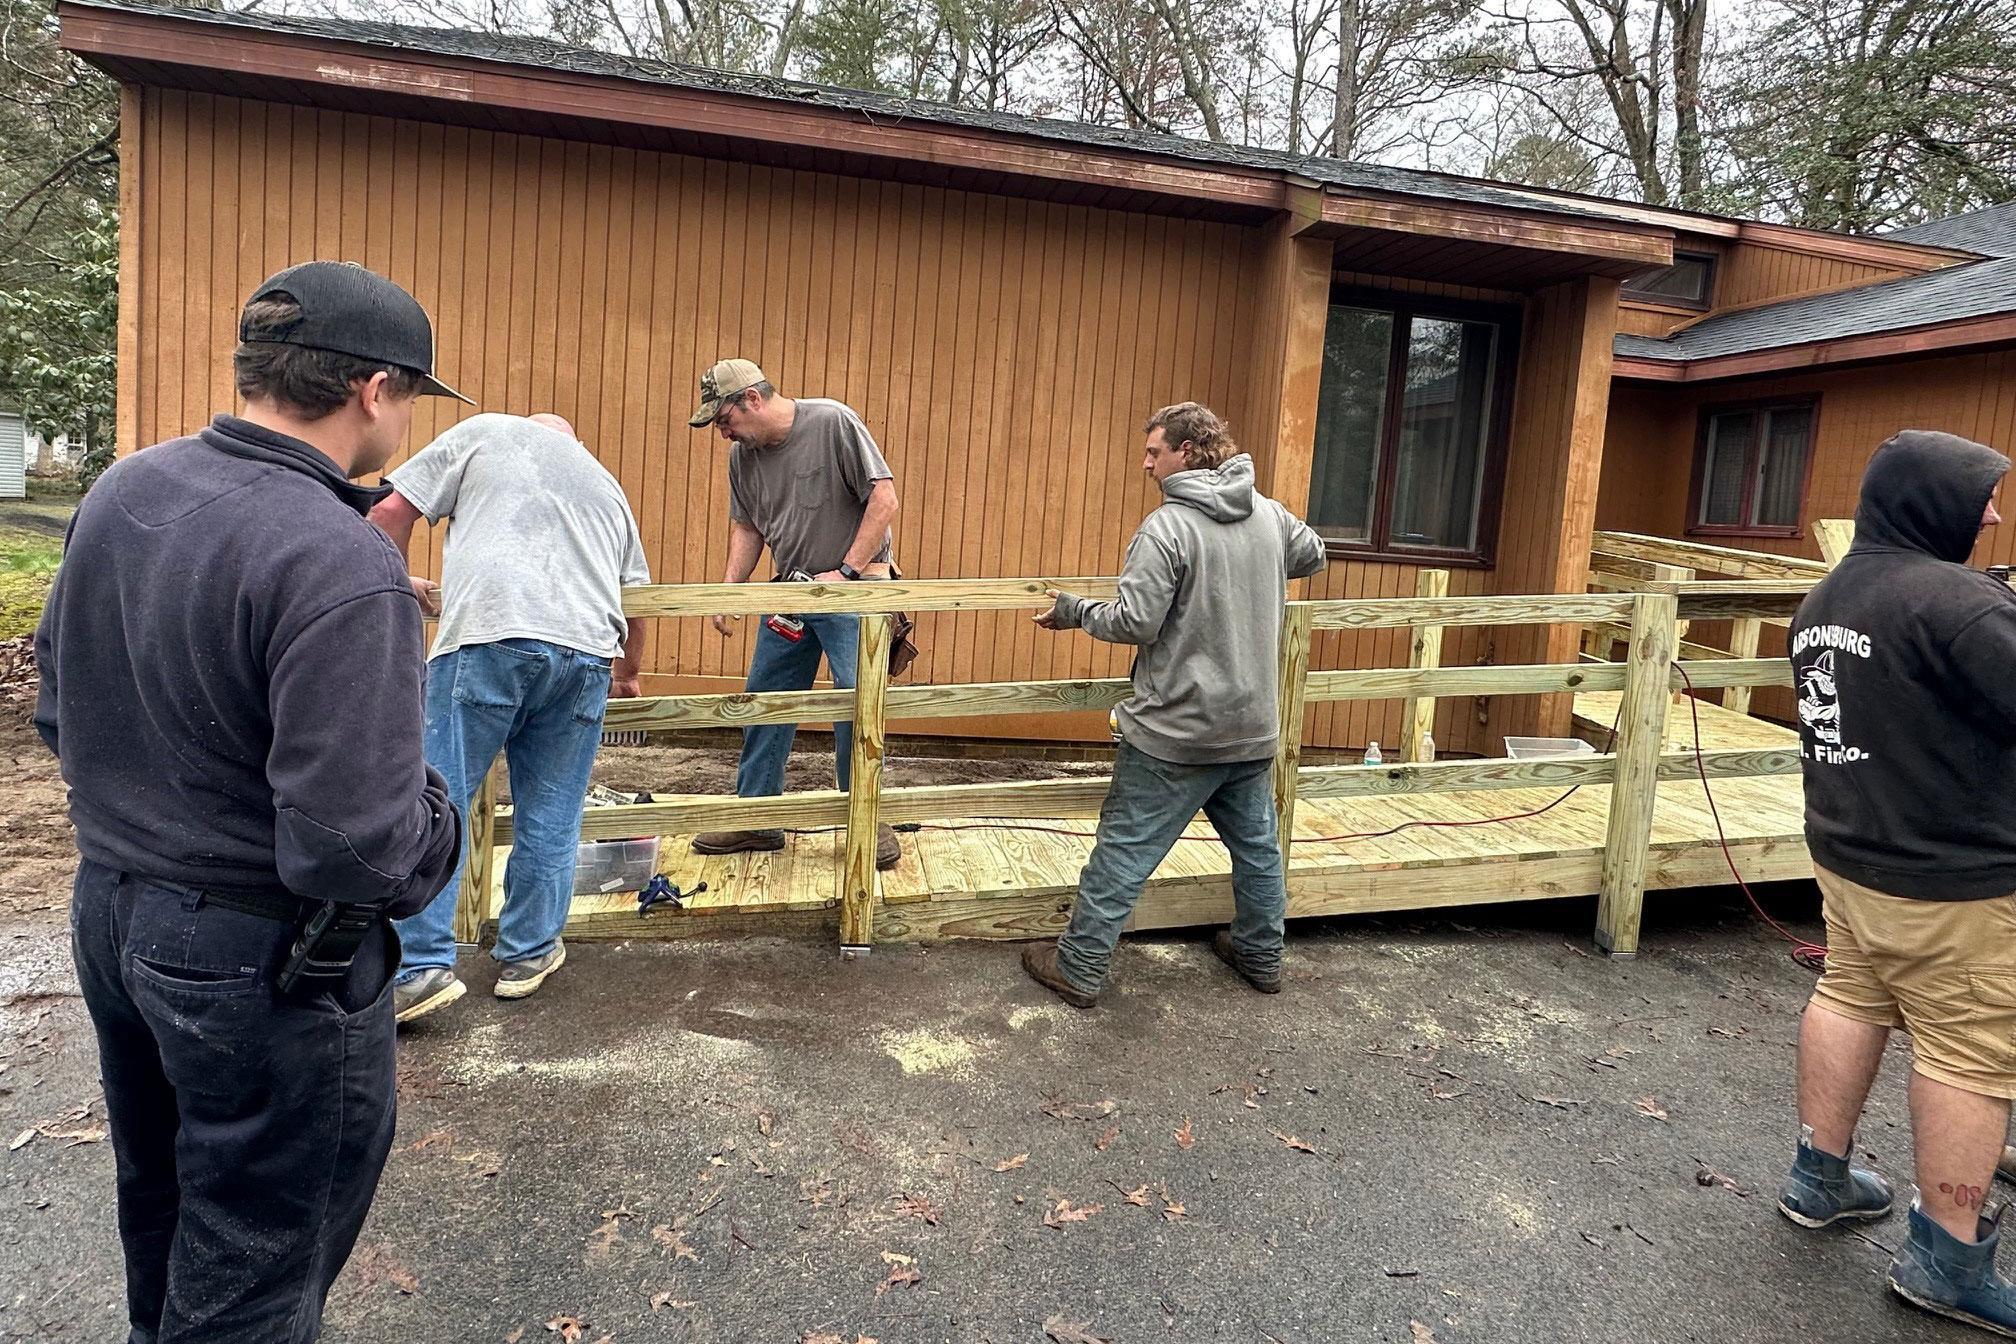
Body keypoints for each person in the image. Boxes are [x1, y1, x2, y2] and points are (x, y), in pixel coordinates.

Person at [33, 261, 465, 1342]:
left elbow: (56, 707)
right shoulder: (340, 560)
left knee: (168, 1205)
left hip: (115, 911)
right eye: (407, 396)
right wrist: (441, 819)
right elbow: (353, 851)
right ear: (373, 388)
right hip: (258, 961)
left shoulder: (127, 490)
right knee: (256, 1274)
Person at [1779, 428, 2016, 1334]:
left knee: (1850, 994)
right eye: (1981, 495)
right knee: (1969, 1053)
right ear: (1929, 500)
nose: (1992, 513)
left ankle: (1820, 1178)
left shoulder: (1826, 597)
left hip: (1851, 855)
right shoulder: (1956, 603)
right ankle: (1949, 1255)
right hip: (1955, 877)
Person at [1019, 402, 1325, 1007]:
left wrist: (1074, 610)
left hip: (1176, 730)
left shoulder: (1167, 528)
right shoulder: (1267, 515)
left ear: (1188, 452)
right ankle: (1261, 956)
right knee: (1258, 852)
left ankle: (1079, 965)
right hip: (1251, 725)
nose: (1146, 463)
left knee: (1125, 850)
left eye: (1154, 451)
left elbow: (1135, 620)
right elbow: (1312, 554)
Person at [368, 410, 650, 1022]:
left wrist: (388, 593)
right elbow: (635, 601)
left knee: (434, 799)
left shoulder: (485, 432)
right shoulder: (607, 484)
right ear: (573, 440)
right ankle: (529, 953)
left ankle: (422, 968)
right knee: (552, 807)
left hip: (487, 639)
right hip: (584, 655)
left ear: (532, 427)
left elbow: (389, 512)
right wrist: (627, 672)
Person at [685, 358, 904, 870]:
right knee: (764, 701)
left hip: (854, 592)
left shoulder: (832, 422)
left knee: (857, 705)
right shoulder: (744, 458)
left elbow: (884, 498)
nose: (724, 434)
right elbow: (748, 527)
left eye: (724, 420)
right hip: (793, 592)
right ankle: (757, 814)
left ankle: (867, 819)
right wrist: (730, 590)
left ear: (753, 400)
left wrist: (847, 574)